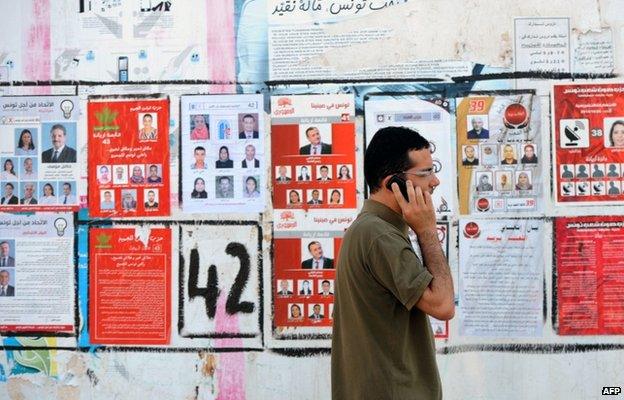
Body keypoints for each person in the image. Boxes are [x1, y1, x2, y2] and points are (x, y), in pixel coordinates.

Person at [332, 126, 454, 400]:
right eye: (425, 173)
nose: (434, 182)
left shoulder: (372, 229)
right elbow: (443, 305)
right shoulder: (381, 236)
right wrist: (427, 231)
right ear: (393, 184)